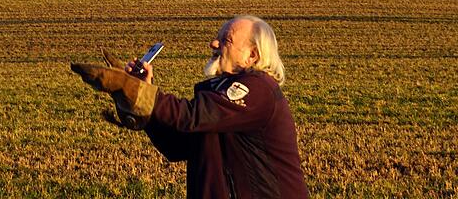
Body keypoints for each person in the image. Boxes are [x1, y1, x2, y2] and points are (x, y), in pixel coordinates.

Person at [71, 15, 308, 199]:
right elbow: (178, 146)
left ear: (252, 56)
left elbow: (192, 116)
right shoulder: (220, 94)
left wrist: (134, 90)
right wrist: (143, 99)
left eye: (226, 40)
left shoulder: (258, 90)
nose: (213, 43)